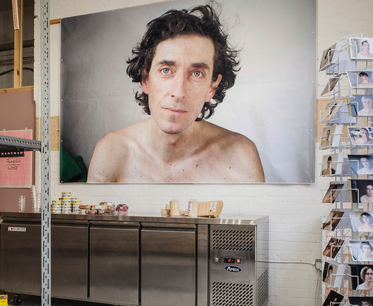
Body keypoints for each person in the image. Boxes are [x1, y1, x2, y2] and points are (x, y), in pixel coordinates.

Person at [87, 5, 264, 183]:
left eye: (197, 73)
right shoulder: (110, 151)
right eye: (166, 70)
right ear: (145, 79)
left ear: (212, 87)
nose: (178, 93)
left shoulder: (241, 156)